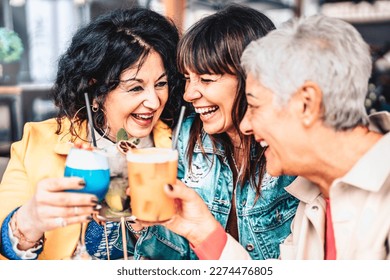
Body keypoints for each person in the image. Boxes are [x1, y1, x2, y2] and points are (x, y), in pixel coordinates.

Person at [158, 14, 390, 260]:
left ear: (306, 105)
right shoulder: (313, 198)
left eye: (255, 106)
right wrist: (201, 230)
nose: (245, 125)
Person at [0, 7, 184, 260]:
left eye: (161, 84)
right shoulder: (38, 142)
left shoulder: (182, 142)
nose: (153, 102)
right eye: (135, 88)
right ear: (95, 91)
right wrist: (28, 223)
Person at [131, 4, 298, 260]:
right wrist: (146, 225)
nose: (189, 94)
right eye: (187, 78)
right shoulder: (187, 138)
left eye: (206, 80)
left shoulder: (293, 153)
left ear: (252, 78)